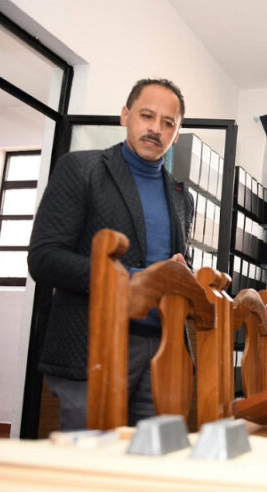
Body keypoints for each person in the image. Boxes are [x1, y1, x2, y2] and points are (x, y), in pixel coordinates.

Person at [28, 78, 193, 429]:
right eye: (147, 116)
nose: (156, 128)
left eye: (168, 123)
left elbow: (172, 263)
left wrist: (182, 276)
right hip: (92, 343)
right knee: (90, 458)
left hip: (163, 350)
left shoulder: (181, 196)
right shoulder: (81, 169)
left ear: (177, 134)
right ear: (125, 115)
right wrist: (131, 280)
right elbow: (44, 258)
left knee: (151, 459)